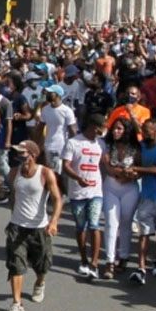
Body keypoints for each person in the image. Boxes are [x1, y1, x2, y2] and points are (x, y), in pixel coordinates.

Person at [3, 140, 62, 311]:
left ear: (32, 155)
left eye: (22, 153)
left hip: (39, 228)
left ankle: (40, 282)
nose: (18, 156)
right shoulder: (14, 173)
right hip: (17, 228)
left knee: (42, 264)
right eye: (17, 153)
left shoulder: (45, 173)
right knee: (16, 265)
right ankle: (16, 303)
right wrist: (14, 216)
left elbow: (57, 199)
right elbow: (13, 196)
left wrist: (53, 222)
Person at [62, 113, 107, 279]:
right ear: (96, 127)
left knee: (94, 225)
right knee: (81, 227)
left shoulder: (101, 144)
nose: (105, 130)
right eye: (103, 126)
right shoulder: (73, 143)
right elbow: (65, 165)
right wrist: (77, 178)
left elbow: (107, 163)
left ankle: (94, 264)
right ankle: (83, 260)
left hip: (96, 192)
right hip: (77, 193)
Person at [129, 119, 156, 285]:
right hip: (147, 195)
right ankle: (141, 268)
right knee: (144, 232)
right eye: (143, 130)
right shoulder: (142, 146)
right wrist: (133, 173)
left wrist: (136, 169)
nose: (145, 133)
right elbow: (139, 167)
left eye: (147, 130)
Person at [101, 117, 140, 278]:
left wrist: (130, 174)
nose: (116, 131)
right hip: (111, 187)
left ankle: (123, 257)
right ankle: (110, 261)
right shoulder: (108, 146)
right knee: (111, 223)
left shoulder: (136, 148)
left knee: (126, 222)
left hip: (130, 189)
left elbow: (138, 170)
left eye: (119, 129)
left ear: (127, 131)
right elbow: (108, 168)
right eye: (115, 129)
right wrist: (125, 172)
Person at [39, 84, 77, 179]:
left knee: (57, 173)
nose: (47, 94)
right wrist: (38, 144)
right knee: (50, 171)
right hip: (48, 145)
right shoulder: (45, 110)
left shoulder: (67, 111)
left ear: (57, 95)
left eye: (50, 93)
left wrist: (74, 146)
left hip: (61, 147)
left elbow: (72, 130)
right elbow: (40, 127)